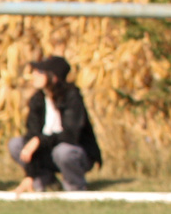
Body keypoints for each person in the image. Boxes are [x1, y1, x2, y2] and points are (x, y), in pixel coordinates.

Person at [8, 55, 103, 192]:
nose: (34, 75)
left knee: (63, 152)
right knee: (16, 144)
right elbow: (31, 135)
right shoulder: (37, 100)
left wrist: (39, 141)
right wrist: (30, 174)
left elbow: (70, 135)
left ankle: (75, 186)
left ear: (54, 77)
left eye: (40, 72)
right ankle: (45, 180)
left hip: (75, 154)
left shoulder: (72, 97)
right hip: (47, 153)